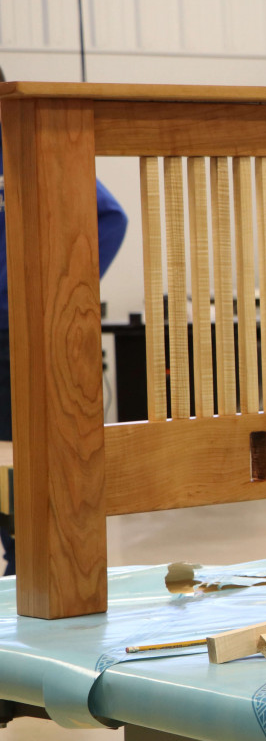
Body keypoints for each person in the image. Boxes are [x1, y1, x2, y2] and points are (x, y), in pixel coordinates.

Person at [0, 65, 129, 576]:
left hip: (21, 330)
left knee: (24, 451)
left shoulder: (26, 143)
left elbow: (110, 217)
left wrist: (64, 287)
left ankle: (25, 558)